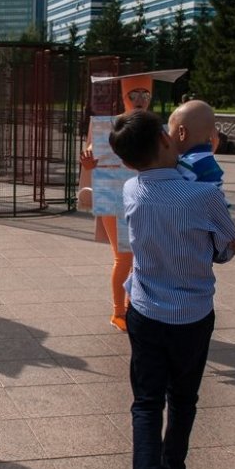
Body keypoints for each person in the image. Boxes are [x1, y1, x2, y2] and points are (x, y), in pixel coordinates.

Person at [108, 109, 235, 469]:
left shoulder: (132, 189)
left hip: (145, 311)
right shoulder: (203, 196)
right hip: (192, 315)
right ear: (167, 143)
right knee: (183, 398)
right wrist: (234, 244)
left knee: (146, 404)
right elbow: (224, 248)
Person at [79, 75, 152, 332]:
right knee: (124, 257)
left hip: (146, 199)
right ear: (124, 97)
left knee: (140, 257)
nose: (140, 99)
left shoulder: (154, 127)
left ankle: (134, 307)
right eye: (134, 94)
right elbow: (92, 150)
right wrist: (89, 163)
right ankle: (119, 312)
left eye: (145, 93)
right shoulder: (109, 126)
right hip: (114, 197)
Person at [169, 99, 226, 202]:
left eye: (170, 130)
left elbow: (172, 194)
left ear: (182, 133)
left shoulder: (186, 165)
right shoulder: (208, 159)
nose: (168, 136)